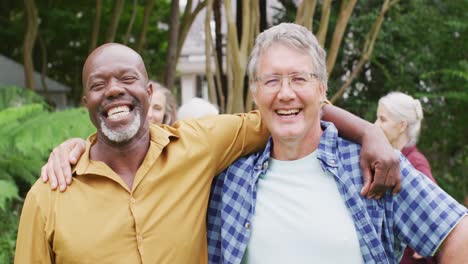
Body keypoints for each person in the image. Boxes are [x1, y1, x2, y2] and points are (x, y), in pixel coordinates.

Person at [34, 43, 403, 263]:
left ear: (148, 91)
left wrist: (370, 131)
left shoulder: (199, 145)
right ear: (86, 102)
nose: (114, 90)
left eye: (127, 79)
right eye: (99, 85)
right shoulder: (50, 194)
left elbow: (287, 109)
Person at [206, 23, 468, 264]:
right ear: (255, 92)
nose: (285, 94)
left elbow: (458, 235)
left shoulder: (374, 167)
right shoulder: (230, 181)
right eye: (272, 80)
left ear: (321, 89)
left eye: (299, 78)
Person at [375, 92, 437, 264]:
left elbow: (434, 213)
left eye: (382, 119)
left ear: (402, 125)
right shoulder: (393, 159)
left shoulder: (415, 163)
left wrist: (424, 242)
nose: (375, 125)